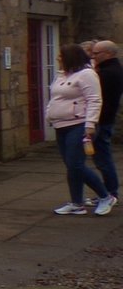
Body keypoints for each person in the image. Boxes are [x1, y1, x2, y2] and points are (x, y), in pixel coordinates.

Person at [46, 43, 108, 215]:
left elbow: (94, 100)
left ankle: (105, 196)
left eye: (61, 55)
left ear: (70, 57)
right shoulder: (62, 75)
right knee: (71, 165)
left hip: (79, 125)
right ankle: (77, 203)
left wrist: (90, 125)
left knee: (75, 165)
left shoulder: (87, 75)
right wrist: (49, 114)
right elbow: (55, 98)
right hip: (61, 125)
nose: (58, 58)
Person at [90, 39, 122, 215]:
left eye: (97, 53)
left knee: (103, 158)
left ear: (108, 54)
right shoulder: (109, 69)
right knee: (102, 158)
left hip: (102, 121)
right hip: (104, 119)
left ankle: (110, 193)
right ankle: (108, 192)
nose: (93, 56)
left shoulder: (108, 72)